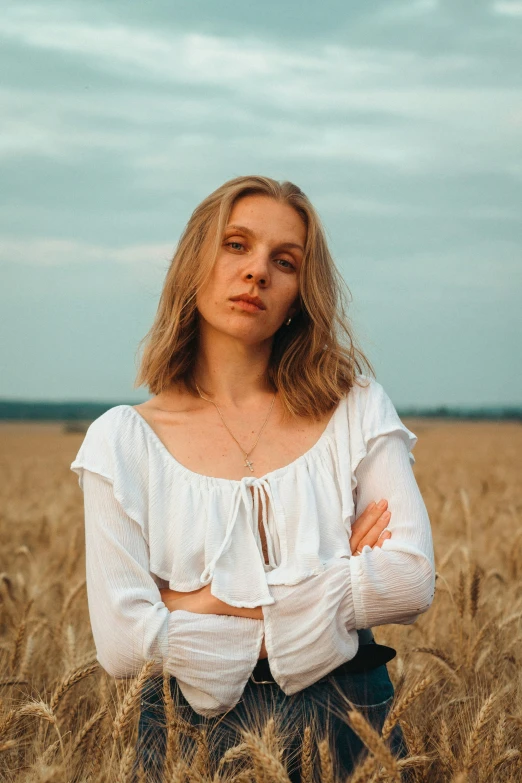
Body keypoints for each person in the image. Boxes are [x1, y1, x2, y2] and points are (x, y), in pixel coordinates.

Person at [70, 175, 436, 782]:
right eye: (236, 245)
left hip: (348, 725)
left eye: (284, 261)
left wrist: (193, 604)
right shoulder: (122, 441)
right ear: (195, 262)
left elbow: (410, 580)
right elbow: (122, 644)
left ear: (300, 292)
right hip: (187, 739)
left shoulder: (355, 408)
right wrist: (332, 574)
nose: (257, 272)